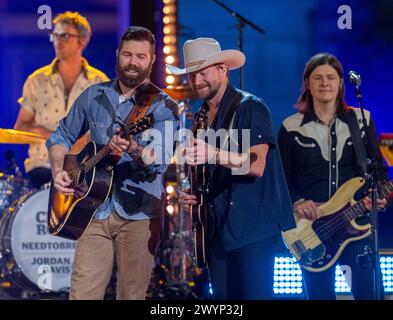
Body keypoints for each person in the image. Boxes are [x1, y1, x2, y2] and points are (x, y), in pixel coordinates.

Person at [46, 26, 178, 300]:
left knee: (131, 295)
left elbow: (160, 161)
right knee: (82, 294)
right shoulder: (94, 96)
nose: (133, 62)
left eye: (141, 56)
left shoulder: (163, 107)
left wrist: (134, 148)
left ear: (152, 60)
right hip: (93, 211)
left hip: (139, 216)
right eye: (128, 55)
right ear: (118, 55)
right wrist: (58, 169)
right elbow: (60, 135)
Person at [168, 38, 296, 299]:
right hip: (217, 233)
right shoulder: (201, 117)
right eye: (192, 75)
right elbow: (209, 169)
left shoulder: (250, 107)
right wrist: (194, 193)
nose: (197, 80)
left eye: (203, 73)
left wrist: (213, 153)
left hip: (253, 230)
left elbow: (256, 164)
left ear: (223, 70)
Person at [278, 52, 390, 300]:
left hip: (357, 226)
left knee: (370, 294)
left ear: (340, 83)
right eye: (317, 78)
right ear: (308, 84)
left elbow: (378, 170)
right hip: (312, 229)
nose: (324, 83)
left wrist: (381, 195)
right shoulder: (291, 126)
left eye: (331, 77)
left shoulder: (362, 119)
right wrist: (298, 201)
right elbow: (282, 178)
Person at [14, 11, 108, 189]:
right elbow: (20, 128)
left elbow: (105, 129)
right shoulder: (37, 80)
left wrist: (84, 139)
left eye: (65, 35)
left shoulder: (98, 82)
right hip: (41, 167)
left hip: (82, 168)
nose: (58, 40)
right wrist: (48, 134)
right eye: (55, 35)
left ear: (82, 40)